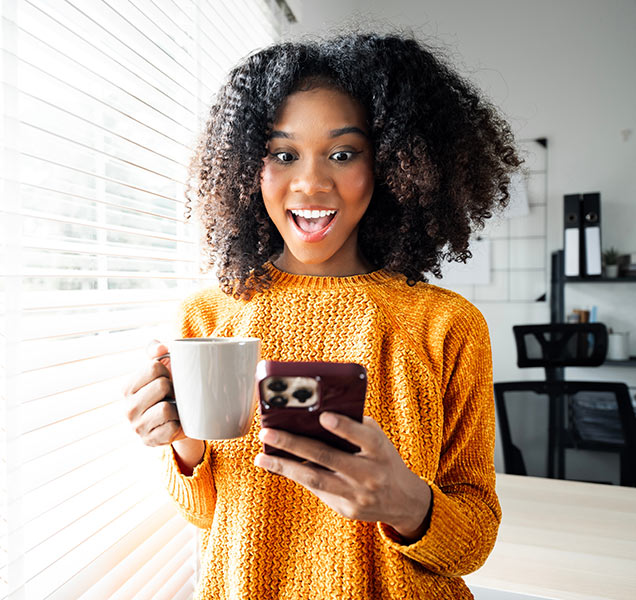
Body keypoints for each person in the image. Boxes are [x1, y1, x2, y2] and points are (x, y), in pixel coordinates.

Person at [124, 31, 520, 599]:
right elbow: (209, 517)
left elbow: (473, 542)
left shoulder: (445, 326)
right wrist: (180, 444)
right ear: (245, 168)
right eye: (283, 155)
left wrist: (406, 503)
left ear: (391, 164)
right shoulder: (207, 319)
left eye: (342, 153)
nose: (310, 182)